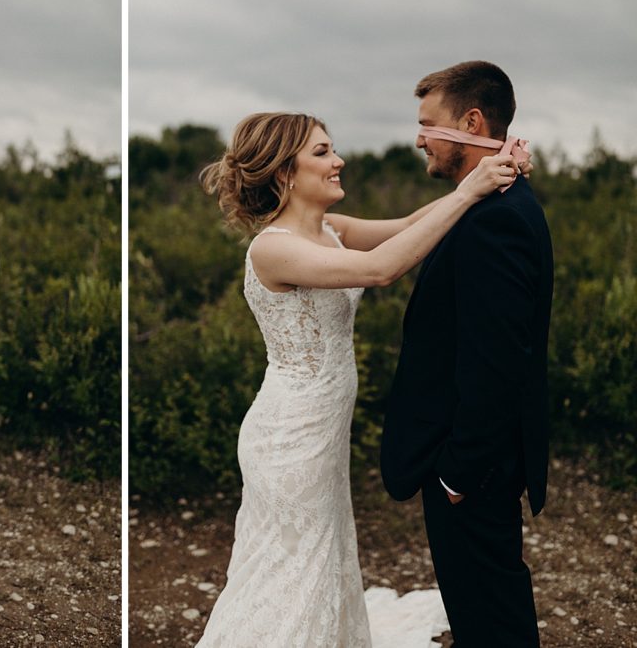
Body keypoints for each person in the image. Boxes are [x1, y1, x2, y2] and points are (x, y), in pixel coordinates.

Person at [196, 110, 523, 647]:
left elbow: (413, 227)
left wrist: (491, 173)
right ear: (284, 173)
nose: (338, 160)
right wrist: (471, 192)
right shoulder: (272, 248)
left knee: (320, 560)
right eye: (322, 153)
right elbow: (382, 269)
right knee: (290, 568)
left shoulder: (332, 231)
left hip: (323, 436)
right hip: (289, 438)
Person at [381, 61, 553, 647]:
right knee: (481, 607)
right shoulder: (484, 204)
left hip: (473, 464)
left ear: (471, 122)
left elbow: (497, 357)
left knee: (491, 615)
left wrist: (458, 469)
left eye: (428, 123)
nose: (420, 137)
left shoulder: (494, 221)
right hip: (478, 459)